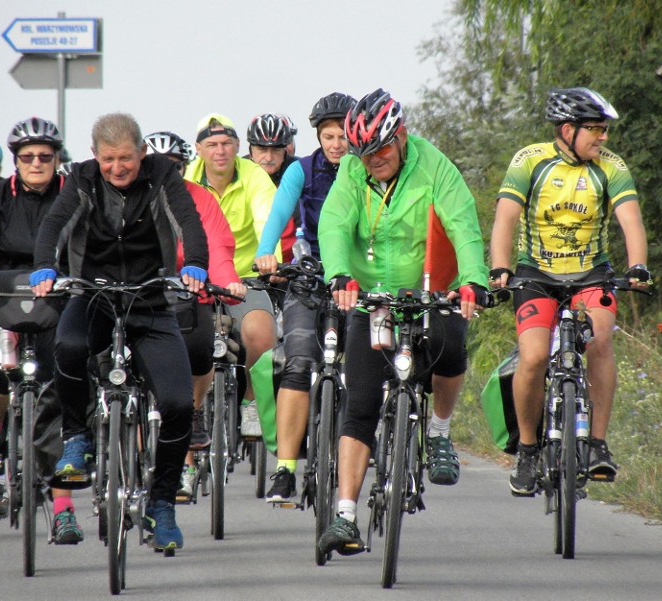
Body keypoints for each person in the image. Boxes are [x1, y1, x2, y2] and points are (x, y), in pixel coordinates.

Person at [316, 89, 489, 556]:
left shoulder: (435, 167)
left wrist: (473, 279)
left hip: (428, 290)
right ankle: (346, 516)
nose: (373, 160)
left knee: (452, 343)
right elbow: (334, 222)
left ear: (403, 135)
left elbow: (463, 225)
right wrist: (339, 273)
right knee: (362, 404)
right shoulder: (353, 171)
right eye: (363, 152)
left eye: (381, 149)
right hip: (369, 296)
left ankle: (438, 434)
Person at [30, 112, 209, 552]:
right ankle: (77, 438)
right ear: (95, 156)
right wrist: (44, 265)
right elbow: (55, 223)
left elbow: (187, 218)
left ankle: (161, 503)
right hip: (92, 296)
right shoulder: (81, 178)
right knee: (67, 347)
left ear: (141, 153)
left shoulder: (163, 174)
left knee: (177, 403)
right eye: (108, 159)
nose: (117, 168)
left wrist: (195, 263)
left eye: (126, 158)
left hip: (150, 301)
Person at [489, 87, 651, 496]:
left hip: (591, 274)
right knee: (534, 357)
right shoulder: (530, 161)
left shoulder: (611, 167)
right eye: (595, 129)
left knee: (598, 342)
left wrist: (637, 267)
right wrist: (500, 268)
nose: (604, 138)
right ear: (567, 129)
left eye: (604, 129)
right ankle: (528, 450)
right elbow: (505, 219)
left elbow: (630, 220)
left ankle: (597, 444)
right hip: (536, 274)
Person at [0, 117, 84, 539]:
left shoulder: (71, 194)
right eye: (27, 157)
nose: (36, 163)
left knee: (60, 396)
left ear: (56, 159)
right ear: (14, 161)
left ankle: (63, 508)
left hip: (56, 296)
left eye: (45, 156)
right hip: (6, 296)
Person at [254, 92, 356, 502]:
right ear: (318, 136)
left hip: (356, 281)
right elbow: (279, 212)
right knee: (297, 364)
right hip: (310, 278)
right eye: (328, 136)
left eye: (343, 136)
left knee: (369, 369)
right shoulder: (301, 170)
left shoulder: (364, 170)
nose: (336, 144)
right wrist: (267, 253)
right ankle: (285, 468)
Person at [143, 130, 246, 498]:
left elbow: (216, 245)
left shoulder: (198, 198)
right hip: (137, 294)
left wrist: (228, 281)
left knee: (202, 346)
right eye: (156, 165)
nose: (164, 172)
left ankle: (194, 410)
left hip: (188, 296)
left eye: (174, 166)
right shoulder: (128, 198)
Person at [185, 113, 279, 439]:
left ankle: (252, 403)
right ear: (198, 149)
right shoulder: (186, 179)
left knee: (261, 332)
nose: (220, 151)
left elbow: (266, 215)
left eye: (227, 143)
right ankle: (192, 418)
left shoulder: (254, 175)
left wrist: (271, 256)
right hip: (195, 279)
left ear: (239, 147)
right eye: (212, 144)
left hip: (245, 276)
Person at [246, 113, 299, 262]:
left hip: (290, 263)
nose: (269, 158)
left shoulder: (299, 171)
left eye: (276, 150)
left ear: (285, 151)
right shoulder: (236, 172)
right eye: (262, 149)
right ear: (251, 150)